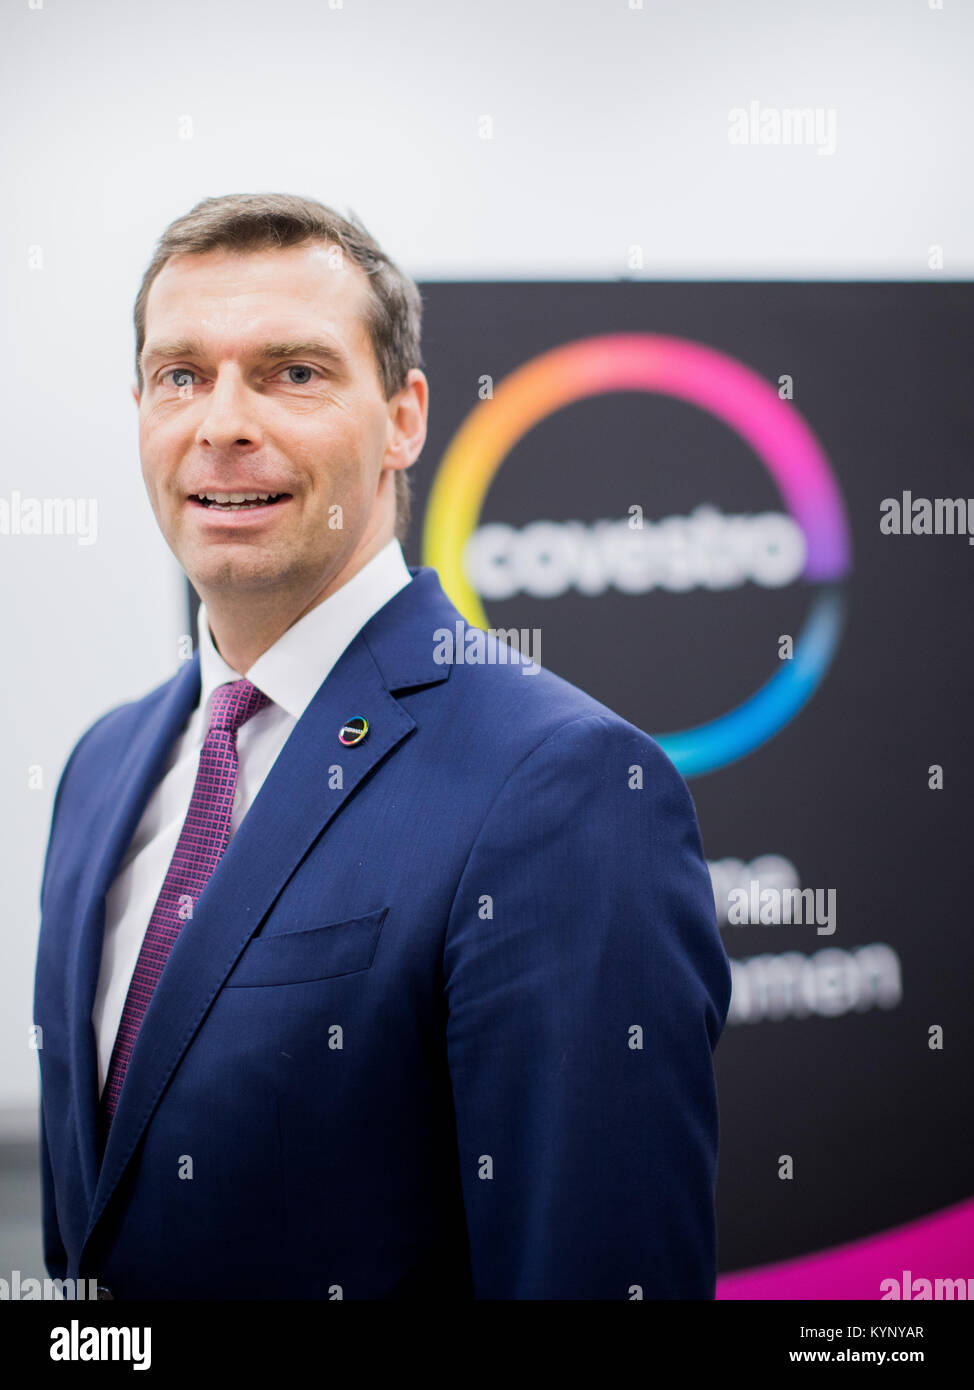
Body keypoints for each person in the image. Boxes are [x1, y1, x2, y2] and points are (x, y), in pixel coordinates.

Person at [33, 192, 731, 1300]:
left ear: (403, 417)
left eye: (291, 373)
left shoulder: (564, 785)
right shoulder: (101, 769)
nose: (220, 422)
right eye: (181, 376)